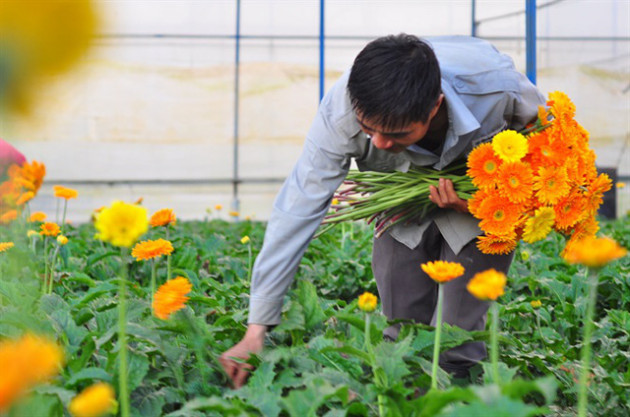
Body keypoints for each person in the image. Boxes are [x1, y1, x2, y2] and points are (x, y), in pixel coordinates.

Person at [219, 34, 545, 387]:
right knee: (402, 331)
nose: (379, 143)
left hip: (479, 200)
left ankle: (456, 394)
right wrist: (256, 327)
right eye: (367, 129)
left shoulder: (495, 88)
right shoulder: (340, 112)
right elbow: (297, 209)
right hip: (399, 197)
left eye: (396, 134)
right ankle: (400, 397)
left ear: (434, 106)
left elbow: (553, 145)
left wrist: (479, 203)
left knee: (458, 338)